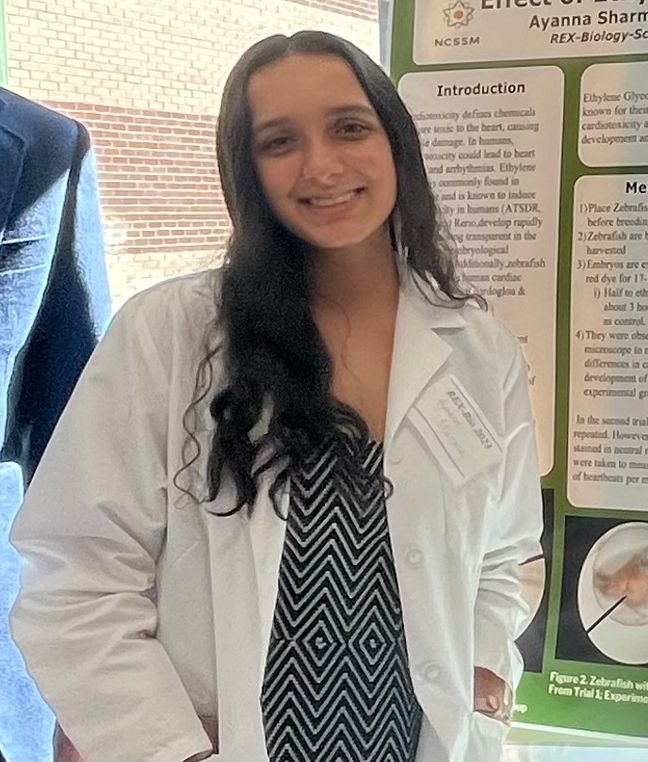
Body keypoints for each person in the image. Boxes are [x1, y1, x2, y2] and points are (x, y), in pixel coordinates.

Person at [10, 30, 543, 762]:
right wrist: (170, 750)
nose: (321, 165)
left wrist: (482, 675)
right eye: (280, 141)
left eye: (348, 127)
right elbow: (77, 578)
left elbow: (505, 555)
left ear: (395, 141)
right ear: (246, 169)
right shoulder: (171, 334)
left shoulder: (479, 351)